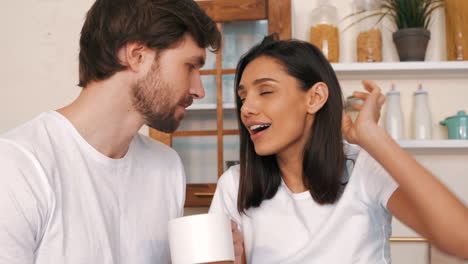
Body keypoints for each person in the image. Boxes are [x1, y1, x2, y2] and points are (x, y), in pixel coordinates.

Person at [209, 34, 468, 263]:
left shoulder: (363, 168)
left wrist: (371, 136)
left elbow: (462, 240)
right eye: (243, 98)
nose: (246, 109)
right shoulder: (235, 185)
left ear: (315, 98)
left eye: (265, 91)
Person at [0, 0, 223, 263]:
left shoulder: (167, 167)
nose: (199, 90)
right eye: (190, 66)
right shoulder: (17, 166)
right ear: (137, 56)